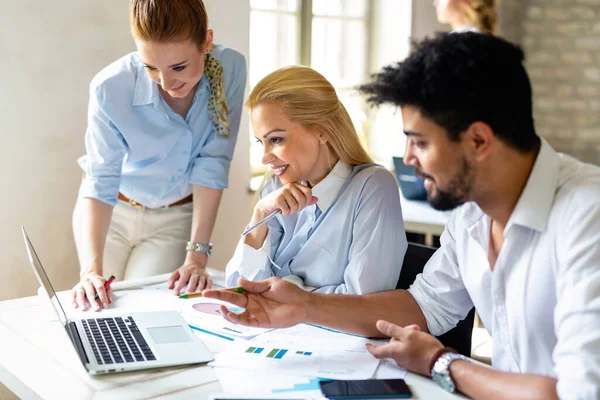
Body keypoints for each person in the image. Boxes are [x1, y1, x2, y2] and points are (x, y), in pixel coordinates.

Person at [204, 33, 600, 399]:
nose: (409, 160)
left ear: (479, 140)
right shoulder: (470, 217)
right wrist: (304, 307)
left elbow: (577, 393)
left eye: (421, 143)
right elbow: (422, 305)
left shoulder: (587, 216)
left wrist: (443, 363)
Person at [71, 0, 246, 311]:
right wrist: (90, 272)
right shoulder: (109, 87)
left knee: (145, 311)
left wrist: (197, 257)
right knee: (97, 307)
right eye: (150, 67)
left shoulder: (230, 68)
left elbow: (213, 161)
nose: (167, 84)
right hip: (112, 215)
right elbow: (102, 178)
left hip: (173, 218)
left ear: (206, 42)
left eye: (178, 67)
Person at [226, 66, 407, 294]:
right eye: (261, 142)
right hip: (274, 329)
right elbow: (240, 288)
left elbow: (364, 300)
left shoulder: (373, 186)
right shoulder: (274, 187)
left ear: (322, 131)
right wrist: (260, 213)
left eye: (276, 139)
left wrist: (288, 290)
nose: (265, 158)